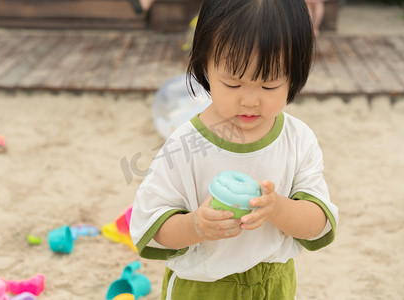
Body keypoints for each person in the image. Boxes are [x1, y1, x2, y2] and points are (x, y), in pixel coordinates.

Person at [130, 0, 339, 299]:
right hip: (203, 286)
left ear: (295, 74)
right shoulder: (184, 146)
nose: (251, 100)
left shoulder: (298, 140)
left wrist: (279, 209)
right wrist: (194, 226)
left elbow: (318, 223)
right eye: (232, 83)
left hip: (273, 283)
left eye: (269, 86)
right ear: (205, 66)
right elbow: (149, 227)